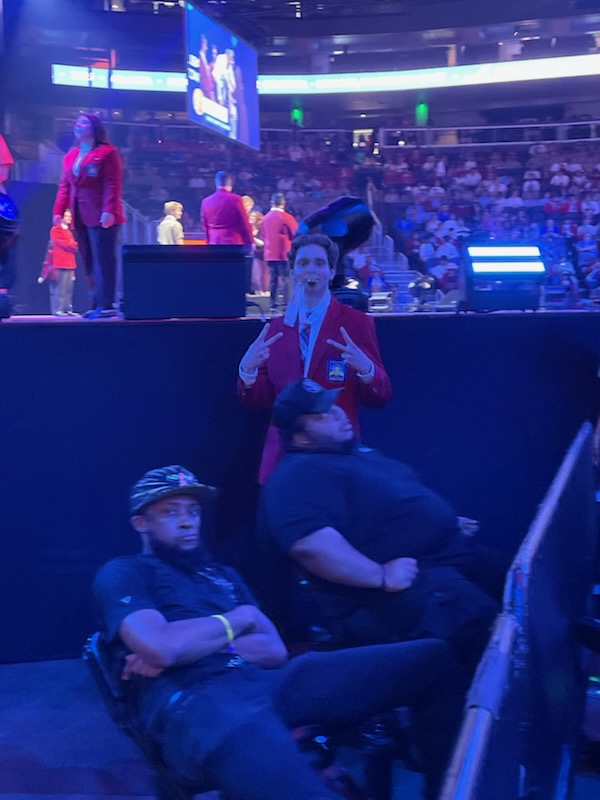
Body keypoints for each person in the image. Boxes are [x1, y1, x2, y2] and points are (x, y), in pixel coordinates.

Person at [93, 465, 465, 800]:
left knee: (432, 659)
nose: (187, 522)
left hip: (264, 683)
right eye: (170, 513)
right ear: (141, 523)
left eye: (193, 511)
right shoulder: (124, 572)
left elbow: (273, 650)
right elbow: (161, 647)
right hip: (201, 707)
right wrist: (240, 619)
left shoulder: (222, 575)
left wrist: (191, 645)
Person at [261, 379, 507, 669]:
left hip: (447, 556)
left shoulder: (356, 454)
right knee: (488, 631)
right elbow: (311, 546)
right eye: (322, 414)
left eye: (334, 406)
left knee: (517, 584)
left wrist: (443, 523)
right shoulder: (295, 476)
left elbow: (396, 503)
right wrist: (380, 575)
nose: (339, 414)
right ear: (301, 437)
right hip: (398, 590)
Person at [238, 233, 392, 483]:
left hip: (337, 462)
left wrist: (367, 370)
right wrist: (248, 372)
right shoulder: (276, 329)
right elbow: (260, 401)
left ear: (331, 272)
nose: (311, 270)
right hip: (282, 465)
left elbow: (380, 397)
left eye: (319, 263)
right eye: (303, 263)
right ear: (293, 271)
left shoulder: (356, 324)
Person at [53, 113, 125, 319]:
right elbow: (65, 186)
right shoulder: (71, 155)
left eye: (83, 122)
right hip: (79, 214)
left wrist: (108, 210)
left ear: (94, 128)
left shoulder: (107, 153)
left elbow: (112, 183)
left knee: (103, 259)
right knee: (88, 260)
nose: (78, 125)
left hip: (101, 214)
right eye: (77, 122)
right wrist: (59, 210)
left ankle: (107, 303)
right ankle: (96, 302)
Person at [261, 192, 298, 311]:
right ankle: (287, 304)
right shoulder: (286, 217)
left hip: (269, 253)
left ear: (271, 202)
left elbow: (263, 234)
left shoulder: (265, 218)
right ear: (283, 203)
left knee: (273, 279)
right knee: (286, 279)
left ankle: (273, 303)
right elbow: (296, 233)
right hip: (283, 253)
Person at [38, 210, 79, 315]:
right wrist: (72, 245)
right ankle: (59, 309)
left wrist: (72, 245)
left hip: (70, 262)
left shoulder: (69, 231)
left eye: (70, 216)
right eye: (67, 216)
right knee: (61, 288)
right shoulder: (55, 230)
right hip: (61, 262)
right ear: (61, 218)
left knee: (69, 288)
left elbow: (75, 246)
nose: (69, 218)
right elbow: (65, 244)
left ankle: (68, 308)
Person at [200, 171, 253, 247]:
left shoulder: (206, 201)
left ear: (216, 183)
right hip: (233, 241)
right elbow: (244, 222)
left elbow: (205, 225)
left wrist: (209, 241)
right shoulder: (236, 199)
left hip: (214, 242)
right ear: (231, 183)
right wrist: (250, 241)